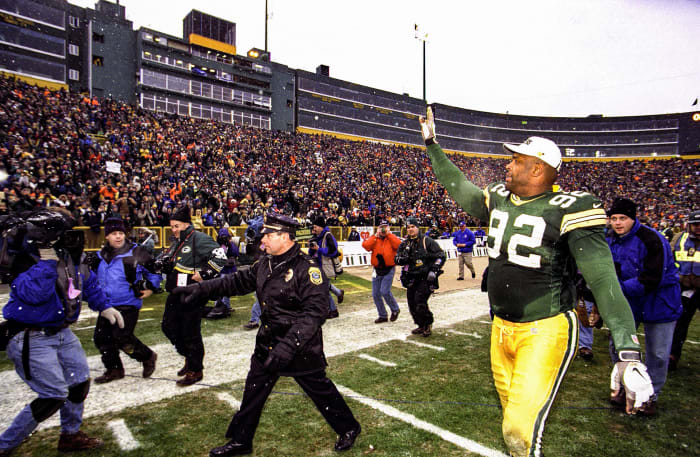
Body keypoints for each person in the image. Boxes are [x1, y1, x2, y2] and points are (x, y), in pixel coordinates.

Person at [419, 108, 652, 457]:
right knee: (513, 420)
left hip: (545, 326)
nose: (507, 165)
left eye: (516, 160)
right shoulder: (499, 196)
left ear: (538, 168)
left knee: (519, 427)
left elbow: (603, 277)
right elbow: (462, 189)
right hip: (501, 327)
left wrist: (627, 350)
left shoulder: (571, 207)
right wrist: (432, 145)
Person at [171, 213, 361, 457]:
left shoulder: (308, 269)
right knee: (253, 392)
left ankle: (349, 428)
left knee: (320, 390)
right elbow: (236, 282)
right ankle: (242, 441)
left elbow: (315, 313)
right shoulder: (266, 263)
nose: (263, 241)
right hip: (269, 342)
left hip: (299, 346)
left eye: (268, 235)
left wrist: (289, 346)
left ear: (285, 237)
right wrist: (199, 289)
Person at [0, 209, 123, 455]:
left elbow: (84, 281)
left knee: (79, 382)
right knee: (52, 395)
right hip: (30, 334)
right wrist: (46, 262)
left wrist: (104, 305)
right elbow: (34, 294)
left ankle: (70, 435)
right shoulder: (23, 258)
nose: (68, 237)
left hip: (62, 331)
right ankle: (5, 444)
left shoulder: (67, 253)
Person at [606, 197, 682, 415]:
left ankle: (650, 397)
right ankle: (623, 387)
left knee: (657, 353)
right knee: (619, 345)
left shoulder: (652, 239)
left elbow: (652, 277)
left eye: (623, 218)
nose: (618, 223)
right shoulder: (610, 239)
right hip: (630, 300)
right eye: (613, 218)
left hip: (660, 301)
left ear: (633, 218)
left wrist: (616, 289)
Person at [86, 218, 162, 384]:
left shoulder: (137, 252)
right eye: (114, 234)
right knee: (101, 338)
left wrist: (151, 287)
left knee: (122, 337)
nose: (118, 237)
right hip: (106, 305)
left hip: (128, 302)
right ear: (107, 236)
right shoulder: (99, 256)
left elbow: (155, 271)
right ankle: (114, 369)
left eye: (121, 233)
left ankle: (147, 356)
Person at [160, 205, 227, 386]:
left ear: (186, 224)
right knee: (168, 326)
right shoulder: (178, 241)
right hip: (176, 290)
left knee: (190, 331)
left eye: (177, 226)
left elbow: (221, 256)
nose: (173, 230)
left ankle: (195, 369)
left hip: (193, 292)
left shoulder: (199, 238)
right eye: (172, 226)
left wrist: (204, 274)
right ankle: (189, 357)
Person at [394, 216, 445, 337]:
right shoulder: (405, 243)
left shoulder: (427, 241)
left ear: (417, 227)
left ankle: (427, 324)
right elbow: (396, 258)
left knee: (420, 301)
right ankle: (420, 324)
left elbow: (441, 256)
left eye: (412, 227)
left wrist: (434, 270)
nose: (410, 229)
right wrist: (402, 259)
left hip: (425, 277)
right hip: (411, 277)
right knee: (411, 303)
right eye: (408, 227)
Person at [669, 210, 700, 370]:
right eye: (695, 224)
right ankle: (673, 355)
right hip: (685, 287)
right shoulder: (680, 238)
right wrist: (677, 276)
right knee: (680, 322)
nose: (698, 228)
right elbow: (670, 257)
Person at [362, 220, 401, 323]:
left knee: (384, 291)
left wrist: (389, 234)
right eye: (381, 227)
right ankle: (382, 315)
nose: (383, 229)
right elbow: (366, 246)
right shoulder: (375, 239)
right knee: (375, 294)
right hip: (377, 269)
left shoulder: (391, 238)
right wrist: (375, 236)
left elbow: (398, 245)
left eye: (385, 227)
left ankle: (395, 309)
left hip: (389, 268)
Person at [309, 216, 344, 318]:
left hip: (326, 266)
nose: (313, 229)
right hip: (318, 266)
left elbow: (333, 251)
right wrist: (312, 247)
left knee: (323, 288)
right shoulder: (316, 236)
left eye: (315, 227)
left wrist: (319, 249)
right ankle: (338, 293)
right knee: (324, 286)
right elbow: (312, 252)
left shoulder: (328, 236)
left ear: (320, 227)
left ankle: (333, 310)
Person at [205, 227, 240, 319]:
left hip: (230, 269)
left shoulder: (231, 244)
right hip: (222, 270)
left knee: (227, 289)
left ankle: (226, 306)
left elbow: (236, 253)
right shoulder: (217, 245)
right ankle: (219, 307)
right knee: (220, 289)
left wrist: (229, 244)